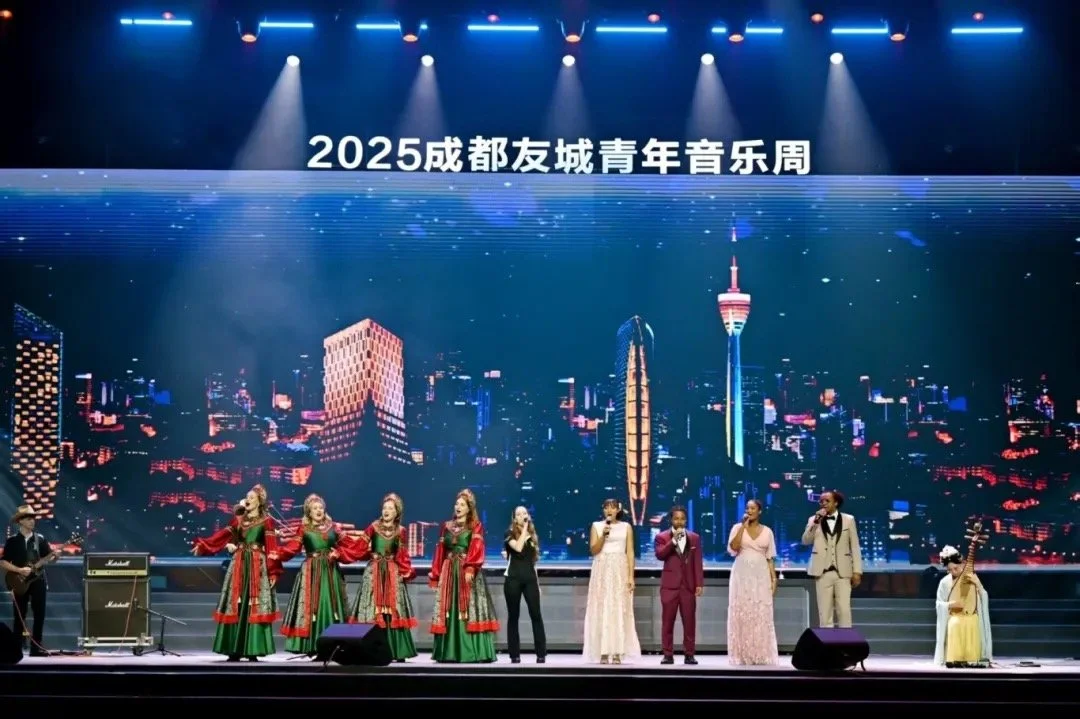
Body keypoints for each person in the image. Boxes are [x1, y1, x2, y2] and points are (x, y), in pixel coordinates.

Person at [269, 494, 368, 656]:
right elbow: (293, 547)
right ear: (309, 511)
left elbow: (351, 545)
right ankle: (312, 646)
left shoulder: (333, 527)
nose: (318, 510)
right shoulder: (304, 529)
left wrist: (340, 552)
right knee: (312, 606)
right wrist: (278, 554)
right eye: (315, 508)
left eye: (321, 507)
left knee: (331, 605)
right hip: (311, 571)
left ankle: (334, 645)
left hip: (330, 571)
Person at [192, 484, 282, 661]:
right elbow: (221, 536)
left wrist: (273, 571)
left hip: (257, 565)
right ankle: (233, 649)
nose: (248, 500)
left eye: (252, 497)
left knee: (254, 606)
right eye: (247, 497)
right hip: (239, 563)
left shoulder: (267, 521)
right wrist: (204, 545)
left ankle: (252, 649)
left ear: (259, 502)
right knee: (236, 604)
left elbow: (272, 547)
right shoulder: (238, 520)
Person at [428, 489, 499, 662]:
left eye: (462, 504)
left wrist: (470, 568)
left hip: (466, 572)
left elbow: (477, 548)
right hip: (449, 572)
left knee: (469, 608)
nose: (458, 507)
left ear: (469, 508)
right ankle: (448, 652)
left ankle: (472, 652)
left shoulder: (475, 526)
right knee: (448, 609)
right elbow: (440, 552)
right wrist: (436, 576)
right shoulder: (446, 526)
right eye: (457, 504)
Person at [349, 493, 419, 662]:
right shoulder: (373, 527)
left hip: (392, 572)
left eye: (390, 508)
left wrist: (406, 571)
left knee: (394, 610)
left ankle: (396, 651)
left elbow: (402, 555)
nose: (386, 511)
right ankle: (369, 651)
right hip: (374, 572)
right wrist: (342, 550)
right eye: (384, 508)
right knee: (372, 609)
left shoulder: (401, 531)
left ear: (397, 512)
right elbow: (359, 547)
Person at [583, 499, 641, 664]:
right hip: (601, 569)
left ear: (618, 510)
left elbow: (630, 552)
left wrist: (630, 576)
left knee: (618, 609)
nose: (609, 510)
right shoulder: (596, 526)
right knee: (601, 608)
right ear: (603, 510)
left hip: (619, 570)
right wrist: (603, 535)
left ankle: (617, 652)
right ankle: (602, 652)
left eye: (613, 507)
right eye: (606, 507)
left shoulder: (626, 527)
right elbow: (594, 550)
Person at [726, 498, 779, 665]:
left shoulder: (768, 531)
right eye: (747, 508)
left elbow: (770, 558)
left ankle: (760, 654)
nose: (749, 511)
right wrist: (743, 526)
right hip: (741, 574)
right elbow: (733, 548)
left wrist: (774, 578)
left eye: (753, 508)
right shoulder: (737, 528)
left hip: (761, 575)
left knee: (760, 612)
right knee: (742, 612)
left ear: (759, 511)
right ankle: (743, 655)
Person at [801, 490, 862, 628]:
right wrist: (815, 522)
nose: (823, 503)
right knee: (824, 613)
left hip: (843, 572)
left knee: (844, 611)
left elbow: (855, 547)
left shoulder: (848, 519)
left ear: (836, 503)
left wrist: (857, 571)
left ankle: (845, 641)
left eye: (827, 501)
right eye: (821, 501)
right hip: (822, 571)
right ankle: (827, 641)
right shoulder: (813, 520)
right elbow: (805, 541)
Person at [0, 505, 54, 657]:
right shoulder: (12, 541)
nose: (32, 521)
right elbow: (3, 562)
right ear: (21, 521)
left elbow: (49, 558)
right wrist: (19, 570)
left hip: (38, 580)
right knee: (19, 615)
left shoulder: (40, 539)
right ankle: (17, 649)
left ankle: (36, 648)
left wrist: (54, 557)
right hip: (19, 582)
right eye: (29, 519)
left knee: (40, 614)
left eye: (33, 519)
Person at [654, 504, 704, 665]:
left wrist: (699, 583)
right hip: (669, 586)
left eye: (682, 518)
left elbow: (697, 562)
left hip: (688, 586)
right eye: (676, 518)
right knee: (667, 622)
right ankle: (667, 654)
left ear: (686, 520)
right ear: (671, 520)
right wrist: (673, 541)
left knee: (689, 622)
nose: (679, 521)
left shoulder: (694, 538)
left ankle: (689, 654)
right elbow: (660, 555)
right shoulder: (662, 537)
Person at [934, 545, 992, 668]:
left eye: (956, 568)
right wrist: (951, 604)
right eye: (950, 570)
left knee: (972, 659)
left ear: (962, 564)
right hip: (955, 620)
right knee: (955, 624)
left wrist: (978, 584)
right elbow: (939, 604)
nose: (953, 572)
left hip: (972, 620)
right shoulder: (944, 582)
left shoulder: (972, 578)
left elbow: (983, 596)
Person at [503, 505, 547, 664]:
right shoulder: (509, 534)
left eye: (525, 513)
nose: (522, 516)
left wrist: (538, 584)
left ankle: (541, 654)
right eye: (519, 514)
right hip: (513, 579)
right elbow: (518, 547)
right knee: (513, 616)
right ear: (515, 519)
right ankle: (514, 655)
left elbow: (533, 562)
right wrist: (524, 531)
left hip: (530, 579)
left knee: (536, 615)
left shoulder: (533, 536)